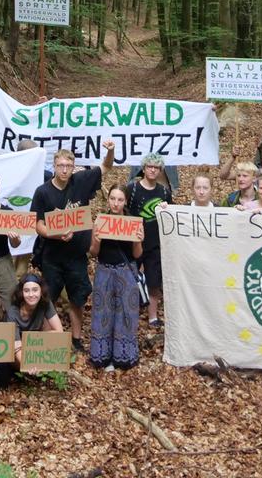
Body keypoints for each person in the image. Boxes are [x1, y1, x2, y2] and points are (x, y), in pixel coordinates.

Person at [31, 143, 114, 352]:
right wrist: (56, 234)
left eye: (69, 165)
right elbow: (38, 224)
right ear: (54, 166)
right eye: (61, 165)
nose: (65, 170)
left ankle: (76, 340)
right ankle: (46, 341)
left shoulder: (81, 181)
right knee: (47, 299)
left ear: (74, 166)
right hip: (52, 256)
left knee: (77, 298)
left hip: (77, 255)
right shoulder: (42, 192)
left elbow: (106, 166)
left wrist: (110, 151)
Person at [89, 184, 143, 372]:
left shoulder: (132, 222)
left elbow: (137, 254)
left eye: (120, 199)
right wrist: (96, 239)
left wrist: (137, 240)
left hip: (125, 272)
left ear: (125, 201)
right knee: (103, 312)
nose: (116, 203)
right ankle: (101, 355)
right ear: (108, 199)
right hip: (104, 270)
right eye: (113, 199)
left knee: (126, 313)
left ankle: (124, 356)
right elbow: (94, 253)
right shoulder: (101, 221)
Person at [126, 153, 172, 328]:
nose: (153, 170)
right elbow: (124, 211)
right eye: (149, 166)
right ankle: (131, 313)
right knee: (131, 279)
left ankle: (153, 316)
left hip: (155, 243)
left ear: (160, 170)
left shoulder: (164, 192)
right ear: (144, 169)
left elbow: (169, 218)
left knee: (154, 281)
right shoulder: (133, 189)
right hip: (133, 242)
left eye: (156, 167)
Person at [7, 274, 63, 367]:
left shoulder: (45, 303)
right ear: (21, 292)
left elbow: (59, 331)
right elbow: (16, 346)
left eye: (35, 290)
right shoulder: (13, 312)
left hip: (35, 343)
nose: (31, 295)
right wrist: (29, 365)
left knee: (49, 327)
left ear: (41, 291)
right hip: (18, 348)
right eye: (26, 291)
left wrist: (35, 339)